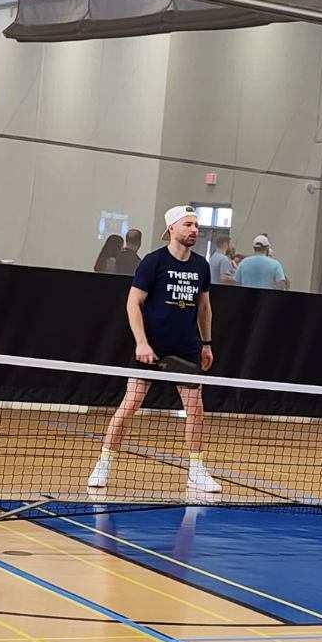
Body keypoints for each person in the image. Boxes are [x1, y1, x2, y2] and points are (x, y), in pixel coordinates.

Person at [86, 205, 221, 493]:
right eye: (188, 224)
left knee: (196, 411)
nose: (194, 230)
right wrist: (141, 342)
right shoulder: (153, 262)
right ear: (171, 228)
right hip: (152, 347)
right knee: (130, 405)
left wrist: (206, 343)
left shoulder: (201, 265)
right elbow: (133, 303)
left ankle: (196, 470)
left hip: (186, 348)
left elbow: (204, 307)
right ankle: (103, 463)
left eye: (196, 225)